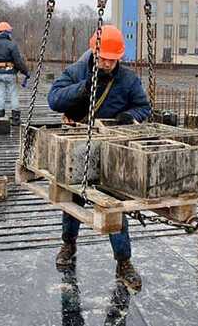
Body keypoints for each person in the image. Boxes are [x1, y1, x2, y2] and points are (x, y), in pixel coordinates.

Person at [47, 25, 150, 292]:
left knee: (114, 206)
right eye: (102, 57)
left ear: (119, 57)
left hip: (111, 151)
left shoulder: (128, 80)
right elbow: (54, 99)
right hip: (79, 145)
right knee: (72, 199)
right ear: (94, 51)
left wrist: (129, 117)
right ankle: (68, 244)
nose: (106, 63)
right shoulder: (77, 71)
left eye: (111, 59)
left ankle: (124, 262)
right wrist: (84, 88)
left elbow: (143, 107)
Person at [0, 21, 30, 125]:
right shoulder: (12, 45)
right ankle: (15, 119)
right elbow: (18, 61)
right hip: (10, 74)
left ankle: (0, 118)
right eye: (10, 32)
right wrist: (26, 72)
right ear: (7, 32)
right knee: (13, 94)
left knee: (0, 95)